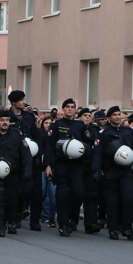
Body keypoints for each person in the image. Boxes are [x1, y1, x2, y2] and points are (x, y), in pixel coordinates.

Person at [45, 99, 97, 237]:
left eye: (72, 107)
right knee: (62, 194)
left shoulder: (80, 126)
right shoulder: (56, 125)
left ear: (75, 110)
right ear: (62, 109)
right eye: (67, 107)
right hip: (61, 163)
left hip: (77, 165)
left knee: (79, 192)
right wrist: (48, 165)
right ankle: (63, 224)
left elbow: (88, 145)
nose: (70, 109)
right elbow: (49, 146)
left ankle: (72, 218)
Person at [92, 106, 133, 240]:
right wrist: (96, 169)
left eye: (119, 114)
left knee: (128, 197)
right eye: (114, 115)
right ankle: (113, 228)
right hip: (110, 170)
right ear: (109, 117)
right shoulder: (104, 133)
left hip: (126, 171)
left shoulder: (129, 132)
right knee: (112, 200)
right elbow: (98, 152)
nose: (118, 117)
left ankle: (127, 227)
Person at [0, 110, 32, 236]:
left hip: (13, 174)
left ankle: (12, 221)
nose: (5, 123)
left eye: (7, 120)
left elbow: (26, 154)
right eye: (2, 120)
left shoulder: (16, 135)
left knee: (12, 199)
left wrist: (27, 171)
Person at [6, 90, 45, 231]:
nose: (24, 102)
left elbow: (37, 134)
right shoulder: (7, 117)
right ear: (14, 102)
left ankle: (35, 221)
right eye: (21, 100)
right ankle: (15, 215)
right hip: (15, 158)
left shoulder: (29, 116)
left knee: (35, 192)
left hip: (32, 157)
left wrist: (38, 153)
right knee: (18, 191)